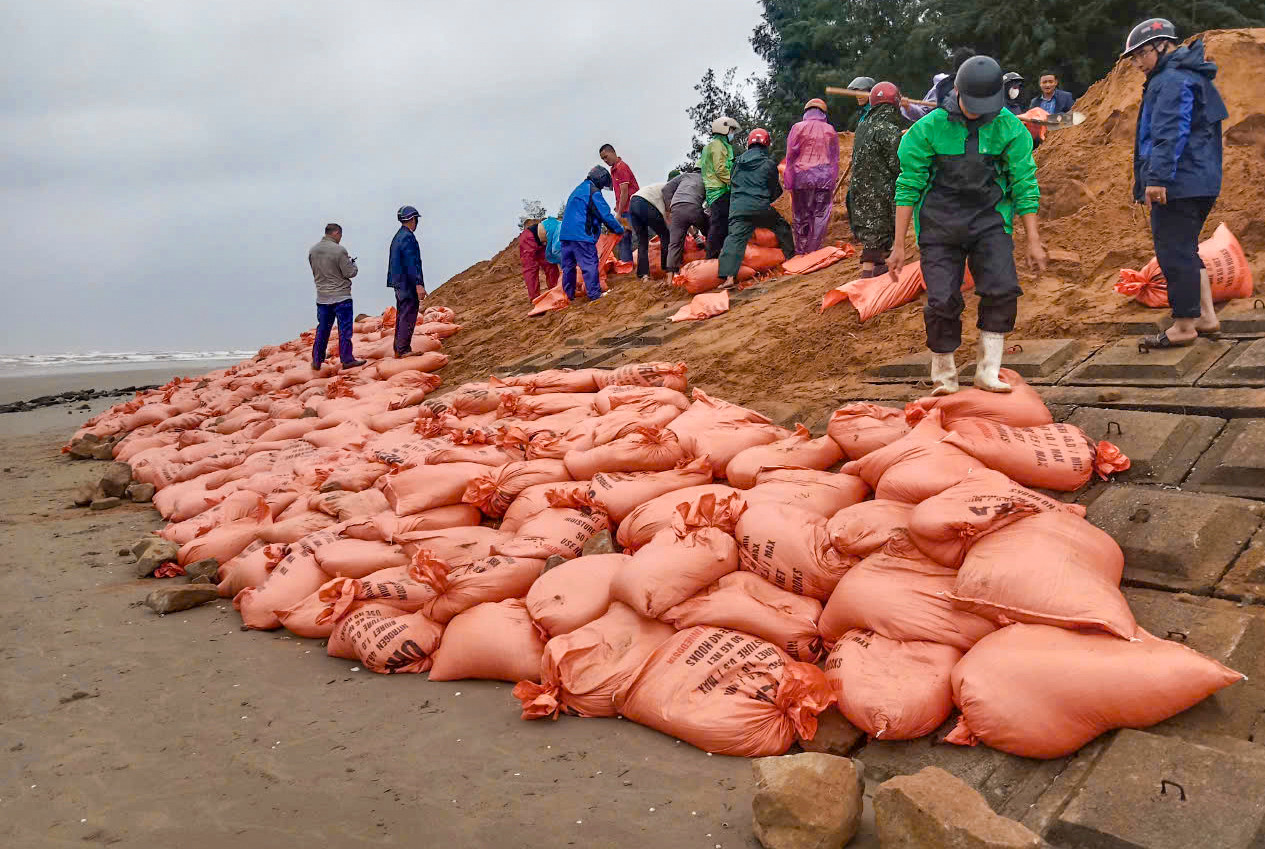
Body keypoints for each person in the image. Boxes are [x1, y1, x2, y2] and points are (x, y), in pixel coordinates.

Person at [889, 55, 1047, 396]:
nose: (978, 113)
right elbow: (908, 186)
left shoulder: (1009, 128)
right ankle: (944, 376)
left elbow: (1024, 183)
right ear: (957, 91)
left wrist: (1033, 240)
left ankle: (988, 370)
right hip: (939, 226)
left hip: (990, 221)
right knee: (942, 300)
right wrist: (899, 244)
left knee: (1002, 289)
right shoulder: (927, 129)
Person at [1122, 18, 1227, 349]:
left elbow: (1169, 130)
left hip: (1179, 183)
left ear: (1162, 45)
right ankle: (1206, 318)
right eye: (1134, 58)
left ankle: (1183, 326)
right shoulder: (1189, 74)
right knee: (1186, 250)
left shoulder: (1170, 79)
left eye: (1141, 55)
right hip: (1200, 179)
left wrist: (1157, 178)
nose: (1138, 63)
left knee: (1173, 254)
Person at [716, 128, 795, 289]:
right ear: (766, 144)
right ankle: (791, 260)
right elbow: (774, 191)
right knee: (782, 226)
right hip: (760, 206)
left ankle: (729, 278)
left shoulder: (736, 163)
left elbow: (733, 184)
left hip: (738, 209)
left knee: (734, 239)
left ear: (749, 143)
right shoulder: (768, 164)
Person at [846, 82, 906, 278]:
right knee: (878, 237)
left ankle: (878, 274)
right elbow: (898, 163)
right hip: (880, 193)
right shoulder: (888, 129)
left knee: (871, 236)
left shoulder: (863, 126)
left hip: (859, 191)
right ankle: (867, 281)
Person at [559, 166, 625, 302]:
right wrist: (618, 229)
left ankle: (568, 296)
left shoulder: (579, 190)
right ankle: (595, 295)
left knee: (568, 267)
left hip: (565, 235)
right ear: (601, 179)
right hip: (581, 235)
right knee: (589, 264)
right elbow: (604, 214)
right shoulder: (593, 191)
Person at [784, 98, 840, 254]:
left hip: (801, 177)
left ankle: (801, 251)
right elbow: (834, 158)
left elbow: (790, 155)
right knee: (820, 215)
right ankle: (813, 250)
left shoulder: (797, 128)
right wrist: (832, 180)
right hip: (823, 178)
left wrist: (789, 179)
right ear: (823, 113)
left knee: (801, 215)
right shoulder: (830, 130)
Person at [307, 223, 365, 369]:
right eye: (340, 235)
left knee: (323, 330)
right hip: (341, 297)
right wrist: (353, 264)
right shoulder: (339, 250)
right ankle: (347, 360)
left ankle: (317, 360)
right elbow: (349, 273)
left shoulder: (313, 250)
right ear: (336, 233)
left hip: (322, 297)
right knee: (344, 330)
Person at [387, 205, 426, 358]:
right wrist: (418, 284)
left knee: (402, 314)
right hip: (407, 283)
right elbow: (411, 262)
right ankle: (404, 350)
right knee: (408, 315)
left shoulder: (398, 236)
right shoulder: (408, 237)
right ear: (412, 219)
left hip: (399, 283)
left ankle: (399, 348)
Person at [701, 116, 740, 259]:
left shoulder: (711, 146)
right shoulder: (718, 146)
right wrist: (734, 182)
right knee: (719, 226)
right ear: (724, 129)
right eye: (731, 130)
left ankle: (717, 256)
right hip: (720, 191)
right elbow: (720, 169)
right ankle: (712, 257)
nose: (732, 133)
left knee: (719, 224)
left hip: (714, 191)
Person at [661, 167, 708, 273]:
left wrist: (670, 206)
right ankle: (711, 262)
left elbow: (665, 189)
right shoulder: (706, 179)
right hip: (694, 207)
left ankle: (670, 278)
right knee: (710, 232)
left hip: (677, 209)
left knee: (674, 244)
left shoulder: (685, 176)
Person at [600, 144, 639, 262]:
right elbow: (619, 193)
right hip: (624, 210)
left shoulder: (621, 167)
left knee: (633, 236)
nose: (605, 160)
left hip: (632, 208)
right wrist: (617, 208)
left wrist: (619, 213)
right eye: (603, 159)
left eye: (606, 157)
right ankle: (625, 264)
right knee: (623, 237)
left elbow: (624, 192)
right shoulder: (613, 169)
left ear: (612, 152)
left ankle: (635, 265)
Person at [627, 181, 672, 280]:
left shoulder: (659, 187)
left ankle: (644, 275)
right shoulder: (671, 189)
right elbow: (668, 216)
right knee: (665, 235)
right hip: (645, 203)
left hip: (633, 204)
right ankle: (667, 269)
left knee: (642, 241)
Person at [517, 217, 558, 301]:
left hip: (542, 242)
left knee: (550, 264)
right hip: (528, 238)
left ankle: (556, 290)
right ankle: (534, 297)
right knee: (530, 268)